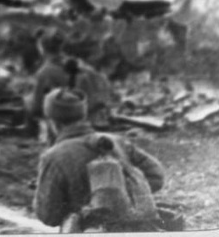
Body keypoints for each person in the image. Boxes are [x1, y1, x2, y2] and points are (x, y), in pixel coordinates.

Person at [33, 88, 166, 232]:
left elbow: (48, 216)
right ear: (82, 115)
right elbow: (156, 175)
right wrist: (124, 197)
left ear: (53, 123)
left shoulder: (53, 157)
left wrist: (83, 209)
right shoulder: (116, 141)